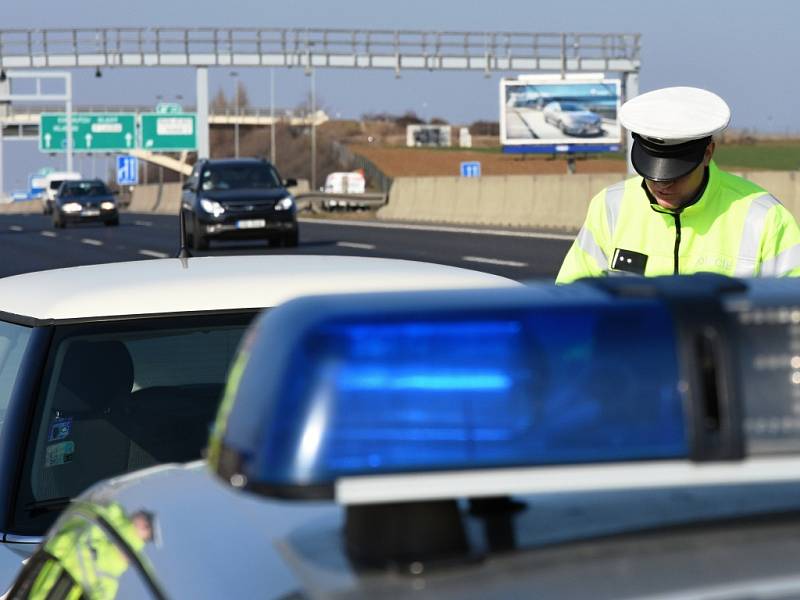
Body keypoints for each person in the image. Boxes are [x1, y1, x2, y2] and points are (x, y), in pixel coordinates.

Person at [556, 87, 800, 283]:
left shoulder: (765, 218)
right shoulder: (610, 206)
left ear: (708, 153)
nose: (663, 184)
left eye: (677, 174)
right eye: (653, 174)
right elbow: (570, 298)